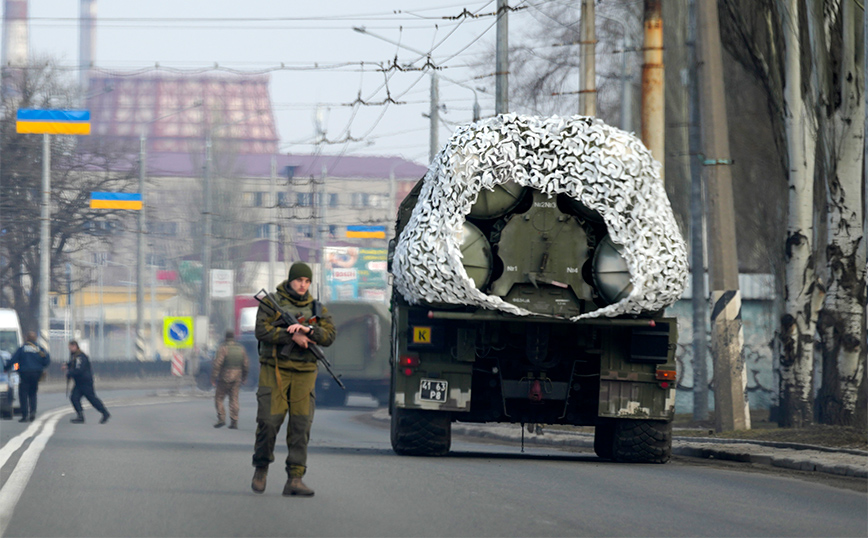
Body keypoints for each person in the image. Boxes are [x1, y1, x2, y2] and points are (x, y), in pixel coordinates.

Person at [251, 262, 336, 497]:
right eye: (299, 280)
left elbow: (329, 335)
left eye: (307, 281)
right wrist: (290, 337)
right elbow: (261, 330)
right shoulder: (271, 302)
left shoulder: (317, 308)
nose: (303, 285)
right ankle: (261, 467)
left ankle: (295, 479)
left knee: (301, 425)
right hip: (275, 369)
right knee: (268, 421)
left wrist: (309, 332)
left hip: (305, 373)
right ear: (290, 280)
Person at [4, 331, 50, 422]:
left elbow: (14, 359)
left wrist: (6, 368)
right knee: (33, 393)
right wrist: (41, 367)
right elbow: (47, 360)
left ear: (27, 338)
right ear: (35, 339)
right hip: (36, 373)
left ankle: (25, 415)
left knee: (23, 394)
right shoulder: (39, 349)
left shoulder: (22, 349)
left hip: (24, 373)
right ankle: (32, 412)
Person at [64, 341, 110, 424]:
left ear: (75, 346)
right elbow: (73, 364)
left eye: (70, 347)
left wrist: (70, 373)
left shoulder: (80, 357)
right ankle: (80, 416)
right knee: (74, 398)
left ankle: (105, 413)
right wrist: (67, 365)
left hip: (85, 382)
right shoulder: (75, 356)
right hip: (79, 382)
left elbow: (79, 369)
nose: (70, 349)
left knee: (92, 399)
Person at [212, 330, 249, 429]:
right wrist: (244, 377)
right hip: (237, 377)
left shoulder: (223, 348)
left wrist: (214, 377)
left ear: (226, 337)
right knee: (234, 399)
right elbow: (245, 364)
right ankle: (234, 420)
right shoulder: (240, 348)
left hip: (225, 376)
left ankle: (221, 418)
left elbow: (218, 363)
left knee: (219, 398)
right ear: (233, 337)